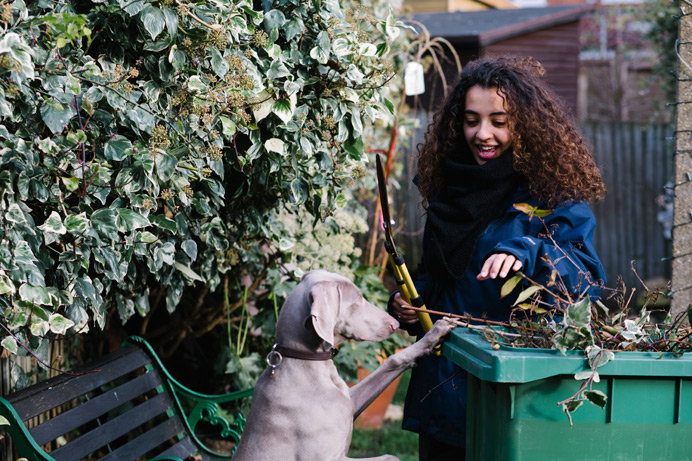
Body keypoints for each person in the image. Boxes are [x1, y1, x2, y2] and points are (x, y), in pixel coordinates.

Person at [388, 56, 607, 460]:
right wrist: (410, 300)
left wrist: (530, 250)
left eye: (499, 121)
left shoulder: (550, 193)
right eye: (471, 120)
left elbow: (586, 277)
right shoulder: (449, 187)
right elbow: (444, 275)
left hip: (509, 385)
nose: (482, 134)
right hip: (443, 384)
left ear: (525, 124)